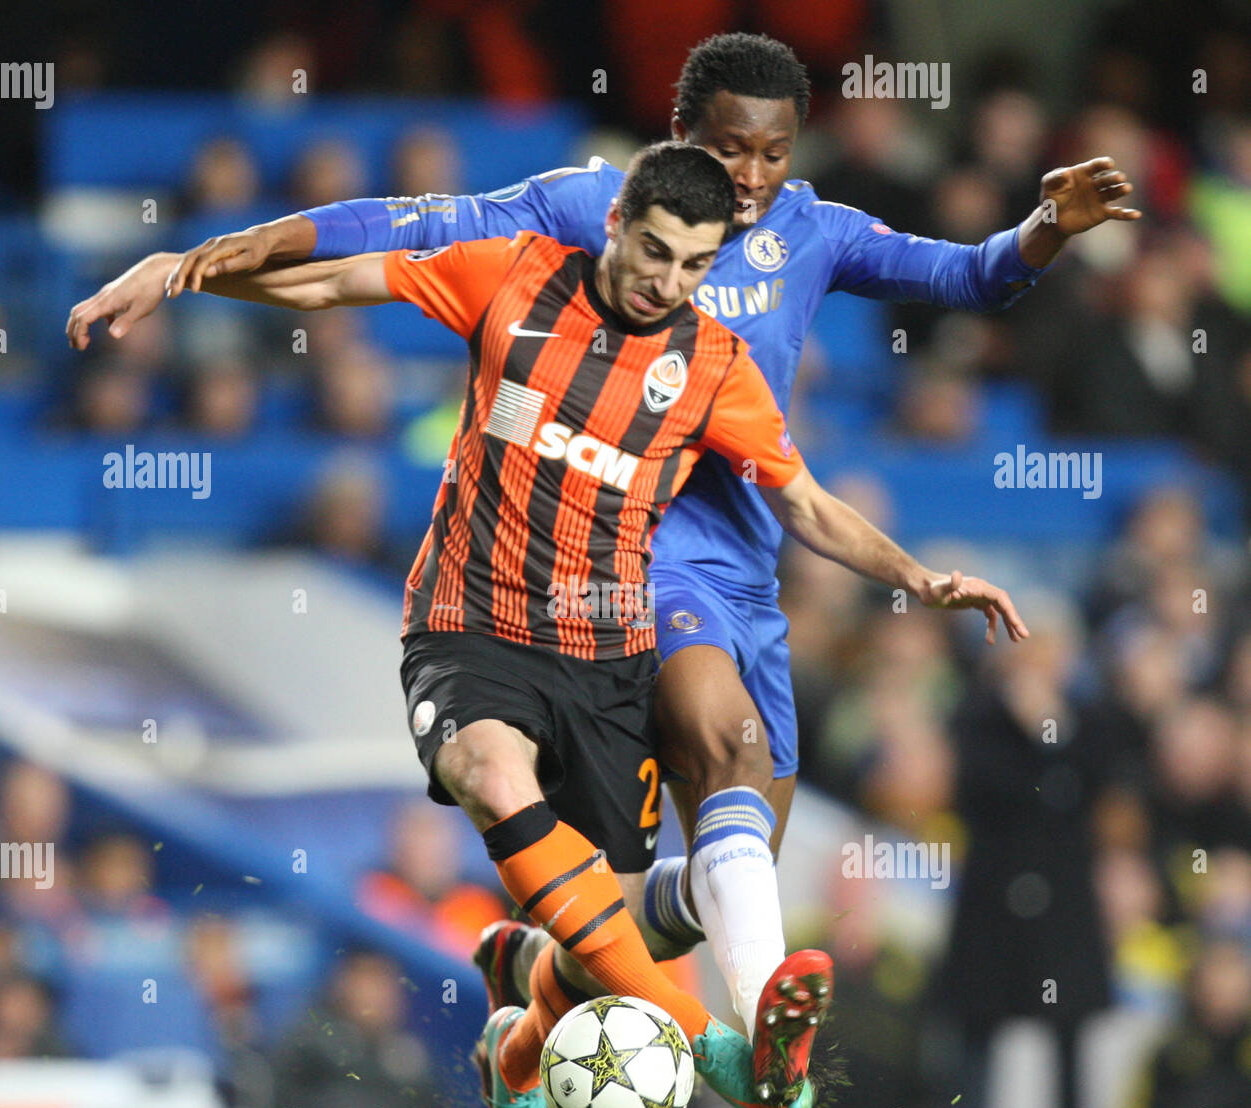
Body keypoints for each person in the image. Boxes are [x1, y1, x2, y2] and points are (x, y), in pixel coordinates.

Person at [66, 34, 1137, 1056]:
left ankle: (529, 983)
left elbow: (969, 279)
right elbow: (408, 227)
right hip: (628, 553)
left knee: (709, 877)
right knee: (728, 753)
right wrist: (200, 262)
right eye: (727, 148)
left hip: (746, 562)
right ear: (672, 136)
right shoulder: (593, 206)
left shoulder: (814, 231)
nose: (752, 174)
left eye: (773, 151)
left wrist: (1044, 228)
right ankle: (758, 1032)